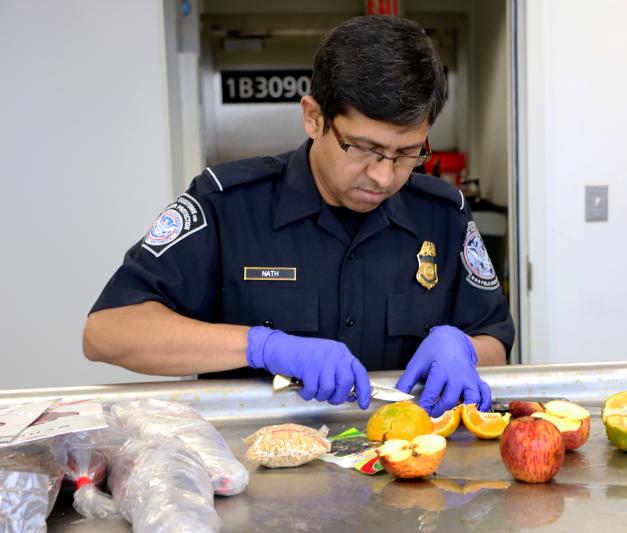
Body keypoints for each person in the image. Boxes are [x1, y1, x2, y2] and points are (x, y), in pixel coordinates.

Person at [83, 15, 514, 418]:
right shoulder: (226, 204)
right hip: (256, 472)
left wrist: (466, 349)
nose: (383, 176)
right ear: (313, 117)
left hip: (404, 466)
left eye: (407, 154)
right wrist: (261, 347)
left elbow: (494, 340)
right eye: (364, 149)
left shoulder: (444, 215)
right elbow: (109, 332)